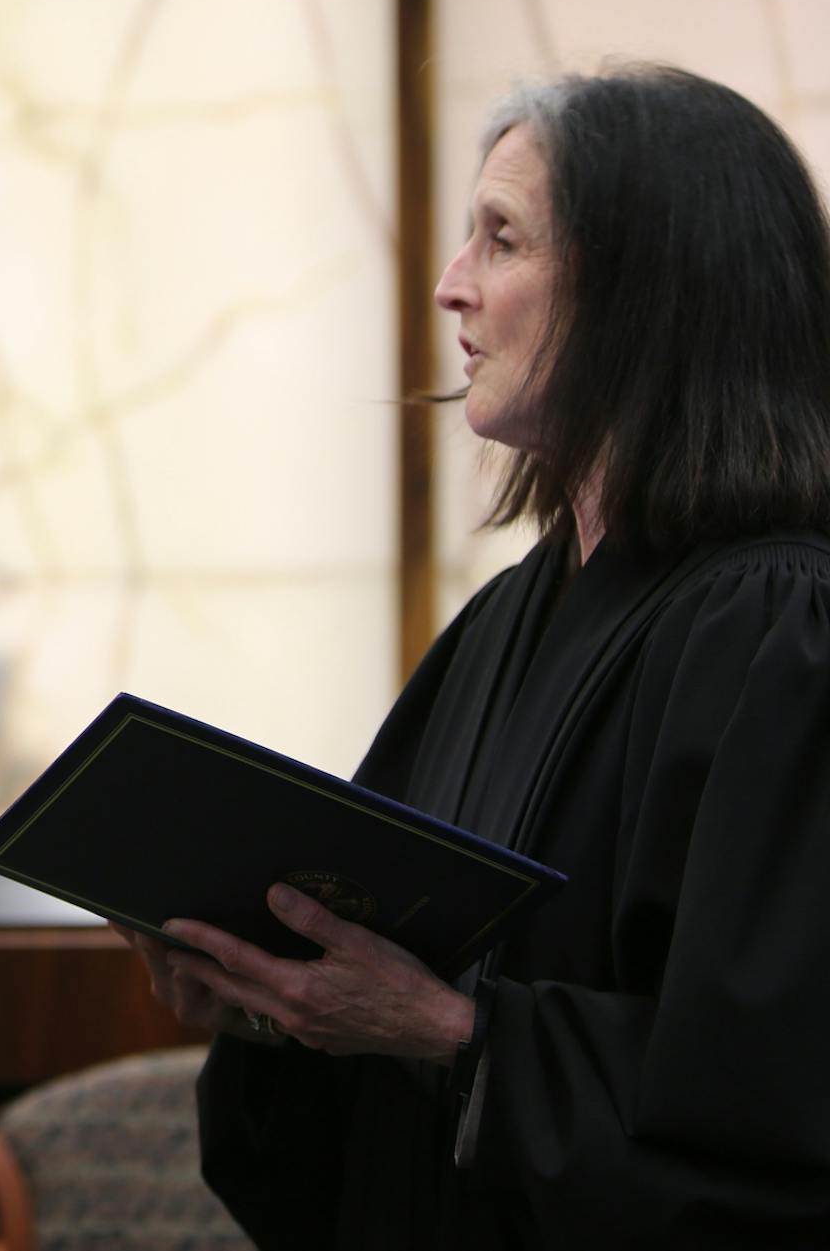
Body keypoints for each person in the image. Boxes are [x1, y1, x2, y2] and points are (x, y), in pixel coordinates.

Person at [140, 64, 830, 1248]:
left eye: (501, 241)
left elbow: (774, 1110)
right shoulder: (506, 622)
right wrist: (274, 1001)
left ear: (645, 293)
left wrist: (457, 1035)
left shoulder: (782, 631)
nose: (453, 288)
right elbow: (382, 1010)